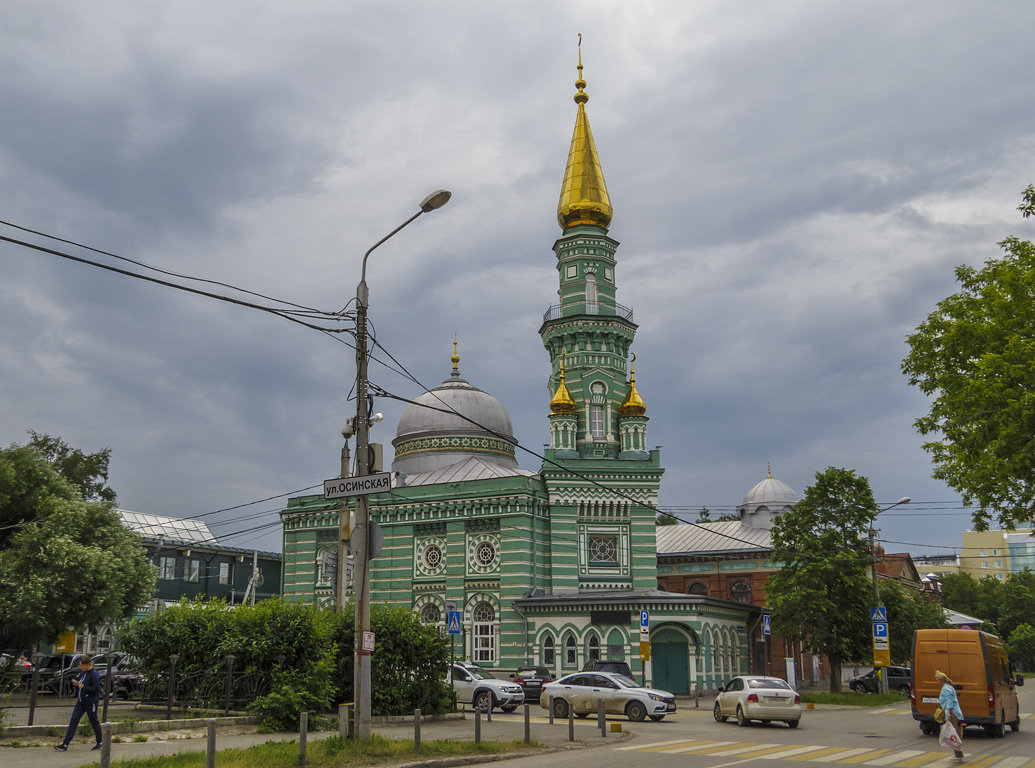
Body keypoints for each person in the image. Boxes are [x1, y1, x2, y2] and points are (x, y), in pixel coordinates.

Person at [54, 655, 103, 752]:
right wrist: (76, 685)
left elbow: (97, 689)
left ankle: (100, 742)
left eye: (82, 665)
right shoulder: (83, 673)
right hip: (81, 701)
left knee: (94, 721)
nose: (81, 667)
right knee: (74, 720)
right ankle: (65, 744)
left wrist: (83, 687)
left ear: (87, 664)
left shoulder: (94, 674)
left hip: (90, 701)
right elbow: (80, 684)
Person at [936, 670, 965, 761]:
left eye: (937, 680)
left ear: (940, 680)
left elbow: (950, 702)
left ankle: (958, 755)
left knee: (953, 734)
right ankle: (958, 755)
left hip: (952, 713)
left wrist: (948, 715)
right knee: (954, 733)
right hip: (954, 712)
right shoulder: (949, 687)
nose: (937, 682)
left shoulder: (946, 689)